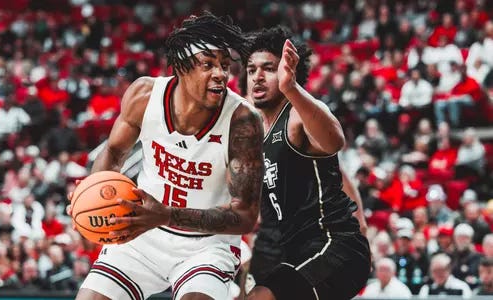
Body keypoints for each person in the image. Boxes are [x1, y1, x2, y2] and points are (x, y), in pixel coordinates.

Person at [68, 13, 265, 300]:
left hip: (206, 246)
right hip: (141, 234)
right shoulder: (144, 97)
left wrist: (166, 215)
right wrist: (93, 197)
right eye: (207, 64)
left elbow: (245, 217)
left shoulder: (243, 121)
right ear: (181, 68)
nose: (221, 73)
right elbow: (113, 151)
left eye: (224, 65)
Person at [243, 26, 370, 300]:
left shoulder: (298, 116)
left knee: (260, 298)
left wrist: (292, 89)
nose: (258, 77)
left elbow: (335, 142)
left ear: (289, 72)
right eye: (251, 69)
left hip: (335, 246)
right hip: (295, 250)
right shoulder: (256, 133)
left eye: (268, 68)